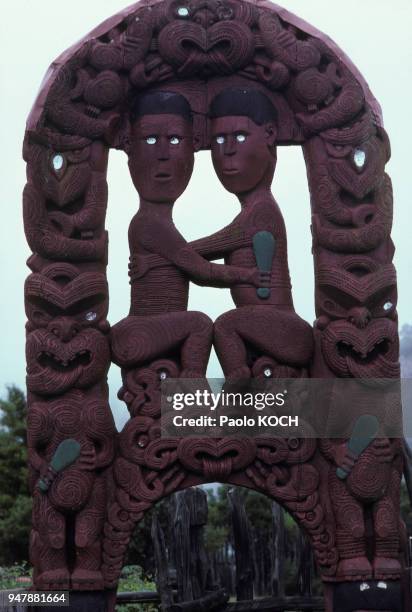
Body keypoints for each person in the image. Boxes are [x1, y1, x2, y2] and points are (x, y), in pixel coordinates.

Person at [110, 91, 268, 377]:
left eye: (173, 140)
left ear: (194, 146)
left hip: (148, 333)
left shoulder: (159, 227)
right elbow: (200, 271)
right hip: (138, 335)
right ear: (128, 149)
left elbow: (186, 258)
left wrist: (164, 262)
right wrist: (247, 275)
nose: (162, 155)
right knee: (200, 324)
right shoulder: (150, 224)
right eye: (149, 140)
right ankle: (194, 387)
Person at [190, 87, 313, 380]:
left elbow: (195, 254)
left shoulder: (261, 213)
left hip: (284, 329)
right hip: (269, 330)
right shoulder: (250, 213)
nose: (228, 149)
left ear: (270, 134)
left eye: (240, 136)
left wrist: (160, 252)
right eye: (219, 139)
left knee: (224, 325)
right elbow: (200, 267)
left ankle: (236, 381)